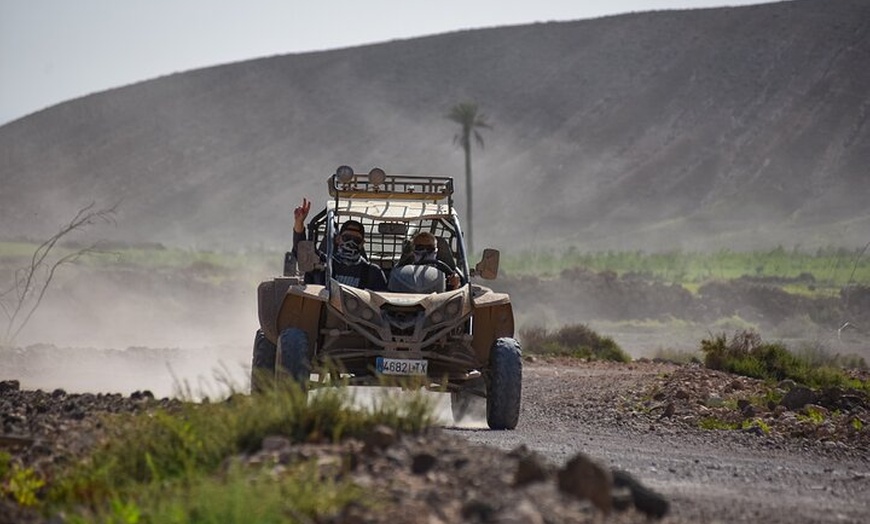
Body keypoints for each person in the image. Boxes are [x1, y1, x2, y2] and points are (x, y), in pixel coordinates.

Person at [292, 198, 388, 291]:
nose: (351, 243)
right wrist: (299, 222)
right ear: (338, 239)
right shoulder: (323, 263)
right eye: (346, 238)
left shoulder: (373, 272)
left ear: (362, 244)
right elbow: (302, 252)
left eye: (356, 240)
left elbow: (382, 301)